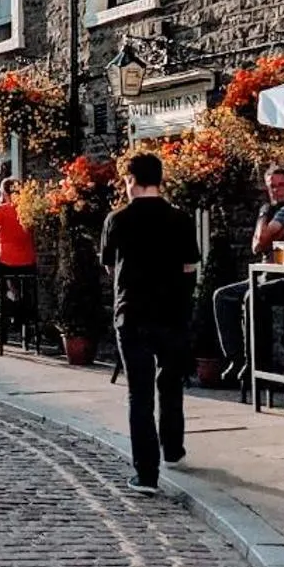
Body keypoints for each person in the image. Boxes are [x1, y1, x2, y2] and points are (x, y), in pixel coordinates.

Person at [100, 152, 201, 496]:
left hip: (132, 314)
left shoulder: (117, 219)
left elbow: (110, 268)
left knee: (139, 394)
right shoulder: (182, 220)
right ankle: (172, 448)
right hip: (172, 314)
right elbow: (190, 268)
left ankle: (147, 475)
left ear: (130, 181)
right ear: (160, 180)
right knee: (171, 384)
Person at [212, 165, 284, 373]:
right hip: (266, 276)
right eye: (272, 187)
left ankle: (256, 362)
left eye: (281, 186)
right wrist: (265, 220)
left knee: (253, 297)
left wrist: (265, 220)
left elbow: (261, 239)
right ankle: (237, 358)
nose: (276, 191)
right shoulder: (269, 211)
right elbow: (258, 246)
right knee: (222, 296)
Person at [0, 177, 38, 324]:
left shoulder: (1, 210)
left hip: (7, 263)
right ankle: (18, 309)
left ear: (4, 193)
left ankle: (8, 301)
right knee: (14, 280)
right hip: (29, 265)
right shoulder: (28, 210)